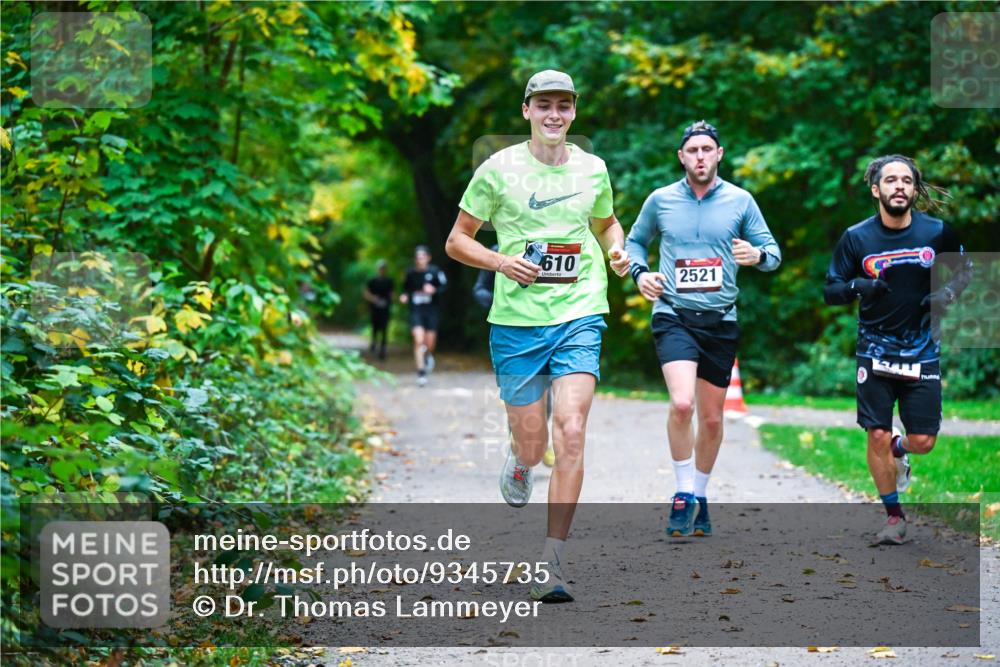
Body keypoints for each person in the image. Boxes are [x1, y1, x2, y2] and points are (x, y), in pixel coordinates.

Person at [446, 69, 630, 602]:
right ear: (526, 110)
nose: (555, 114)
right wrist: (502, 261)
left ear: (574, 112)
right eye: (544, 105)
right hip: (517, 322)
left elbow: (606, 224)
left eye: (564, 106)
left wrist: (617, 249)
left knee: (570, 432)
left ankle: (552, 562)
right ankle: (522, 460)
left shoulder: (593, 169)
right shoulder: (496, 171)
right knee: (533, 441)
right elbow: (457, 241)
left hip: (580, 311)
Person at [625, 120, 781, 538]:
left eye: (706, 150)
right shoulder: (660, 200)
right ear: (681, 156)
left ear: (719, 154)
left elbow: (773, 253)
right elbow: (634, 242)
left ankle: (700, 493)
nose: (699, 157)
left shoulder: (741, 200)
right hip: (673, 312)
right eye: (692, 150)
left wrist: (756, 255)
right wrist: (640, 274)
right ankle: (681, 493)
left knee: (712, 420)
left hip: (721, 319)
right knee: (681, 404)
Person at [824, 154, 972, 545]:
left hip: (922, 349)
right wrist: (860, 286)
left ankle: (899, 447)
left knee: (923, 442)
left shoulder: (937, 231)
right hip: (874, 349)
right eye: (890, 180)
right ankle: (893, 517)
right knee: (874, 432)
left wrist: (947, 292)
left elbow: (965, 268)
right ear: (876, 190)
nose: (899, 187)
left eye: (906, 180)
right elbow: (831, 290)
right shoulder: (857, 238)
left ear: (914, 189)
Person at [473, 246, 556, 468]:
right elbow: (479, 288)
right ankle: (519, 444)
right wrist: (499, 302)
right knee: (520, 396)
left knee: (546, 394)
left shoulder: (546, 245)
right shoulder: (497, 249)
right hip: (511, 331)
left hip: (547, 327)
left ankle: (540, 441)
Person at [399, 246, 447, 386]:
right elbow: (405, 289)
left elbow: (445, 287)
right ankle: (421, 373)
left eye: (422, 257)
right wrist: (404, 296)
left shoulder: (435, 272)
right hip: (416, 310)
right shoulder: (410, 273)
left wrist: (434, 290)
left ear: (428, 258)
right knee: (418, 339)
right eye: (418, 257)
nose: (420, 260)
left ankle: (427, 355)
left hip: (432, 310)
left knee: (430, 343)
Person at [362, 260, 393, 360]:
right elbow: (366, 293)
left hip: (385, 309)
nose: (382, 270)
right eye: (381, 268)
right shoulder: (372, 281)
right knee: (375, 327)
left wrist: (390, 300)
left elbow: (392, 294)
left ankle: (382, 349)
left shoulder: (389, 281)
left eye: (384, 268)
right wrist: (373, 299)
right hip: (374, 309)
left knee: (384, 329)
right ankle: (374, 343)